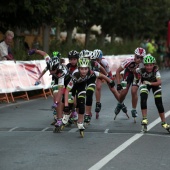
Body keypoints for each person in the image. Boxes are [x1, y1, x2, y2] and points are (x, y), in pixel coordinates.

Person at [63, 58, 116, 137]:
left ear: (88, 68)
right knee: (70, 104)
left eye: (85, 69)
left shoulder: (91, 72)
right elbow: (67, 91)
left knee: (81, 103)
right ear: (78, 68)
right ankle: (66, 116)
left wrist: (110, 81)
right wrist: (66, 105)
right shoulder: (75, 75)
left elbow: (101, 75)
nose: (84, 71)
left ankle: (80, 122)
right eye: (81, 69)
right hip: (72, 87)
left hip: (81, 85)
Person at [136, 54, 170, 132]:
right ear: (144, 65)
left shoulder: (156, 70)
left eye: (150, 65)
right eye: (147, 65)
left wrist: (150, 83)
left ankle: (164, 122)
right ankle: (144, 119)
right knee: (143, 98)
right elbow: (134, 73)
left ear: (153, 65)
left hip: (155, 84)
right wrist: (137, 81)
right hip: (145, 84)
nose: (149, 67)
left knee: (159, 103)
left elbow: (159, 82)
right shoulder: (140, 70)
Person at [114, 47, 146, 121]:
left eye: (141, 58)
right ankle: (120, 103)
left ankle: (134, 109)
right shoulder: (128, 60)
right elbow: (118, 71)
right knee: (123, 92)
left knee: (134, 91)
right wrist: (118, 84)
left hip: (136, 75)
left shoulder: (143, 64)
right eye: (137, 57)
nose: (139, 59)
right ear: (134, 55)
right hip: (128, 74)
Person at [94, 49, 118, 118]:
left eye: (98, 59)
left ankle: (120, 101)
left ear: (101, 58)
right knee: (98, 87)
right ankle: (98, 104)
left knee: (112, 89)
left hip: (105, 73)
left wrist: (110, 81)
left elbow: (109, 73)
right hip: (97, 73)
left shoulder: (104, 62)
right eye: (95, 59)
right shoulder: (92, 61)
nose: (97, 61)